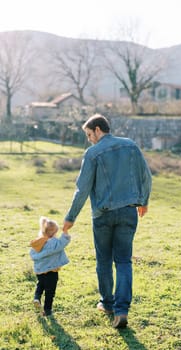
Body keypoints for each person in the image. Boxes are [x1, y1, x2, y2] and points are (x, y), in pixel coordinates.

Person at [63, 114, 152, 328]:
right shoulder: (130, 146)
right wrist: (144, 201)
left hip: (103, 215)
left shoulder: (93, 153)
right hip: (129, 211)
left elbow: (82, 189)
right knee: (123, 261)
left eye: (88, 134)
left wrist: (70, 217)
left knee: (104, 261)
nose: (89, 139)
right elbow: (146, 176)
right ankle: (122, 310)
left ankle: (107, 304)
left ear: (97, 129)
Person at [30, 216, 71, 316]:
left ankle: (37, 297)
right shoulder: (54, 243)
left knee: (40, 284)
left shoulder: (38, 242)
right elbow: (63, 242)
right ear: (54, 232)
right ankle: (47, 310)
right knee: (50, 292)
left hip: (40, 271)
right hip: (52, 271)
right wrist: (65, 232)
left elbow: (32, 254)